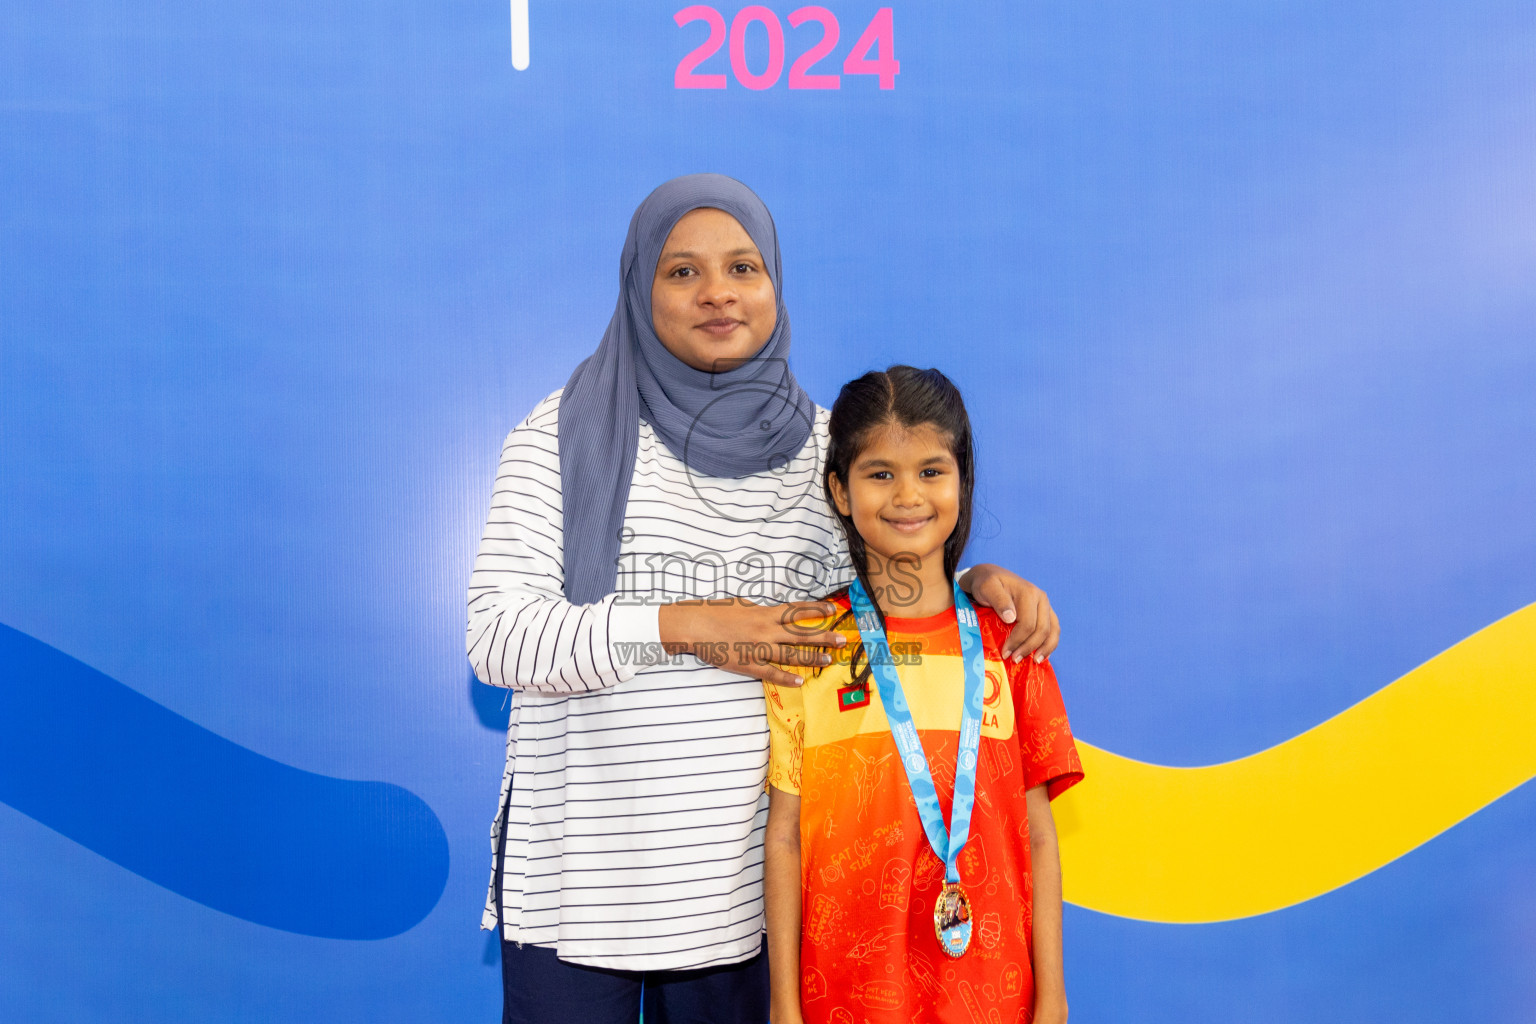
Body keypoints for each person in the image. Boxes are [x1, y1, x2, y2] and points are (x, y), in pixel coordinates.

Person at [466, 175, 1061, 1024]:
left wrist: (969, 584)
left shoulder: (826, 447)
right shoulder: (557, 437)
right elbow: (499, 639)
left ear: (775, 284)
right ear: (639, 285)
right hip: (580, 889)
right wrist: (688, 627)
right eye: (682, 272)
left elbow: (882, 585)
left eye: (743, 267)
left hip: (744, 898)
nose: (718, 293)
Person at [762, 366, 1084, 1024]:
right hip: (843, 996)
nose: (908, 494)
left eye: (931, 471)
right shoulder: (809, 646)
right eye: (880, 473)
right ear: (840, 492)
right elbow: (785, 840)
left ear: (962, 481)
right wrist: (785, 1006)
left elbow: (1040, 837)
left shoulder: (1010, 642)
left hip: (993, 996)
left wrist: (1052, 997)